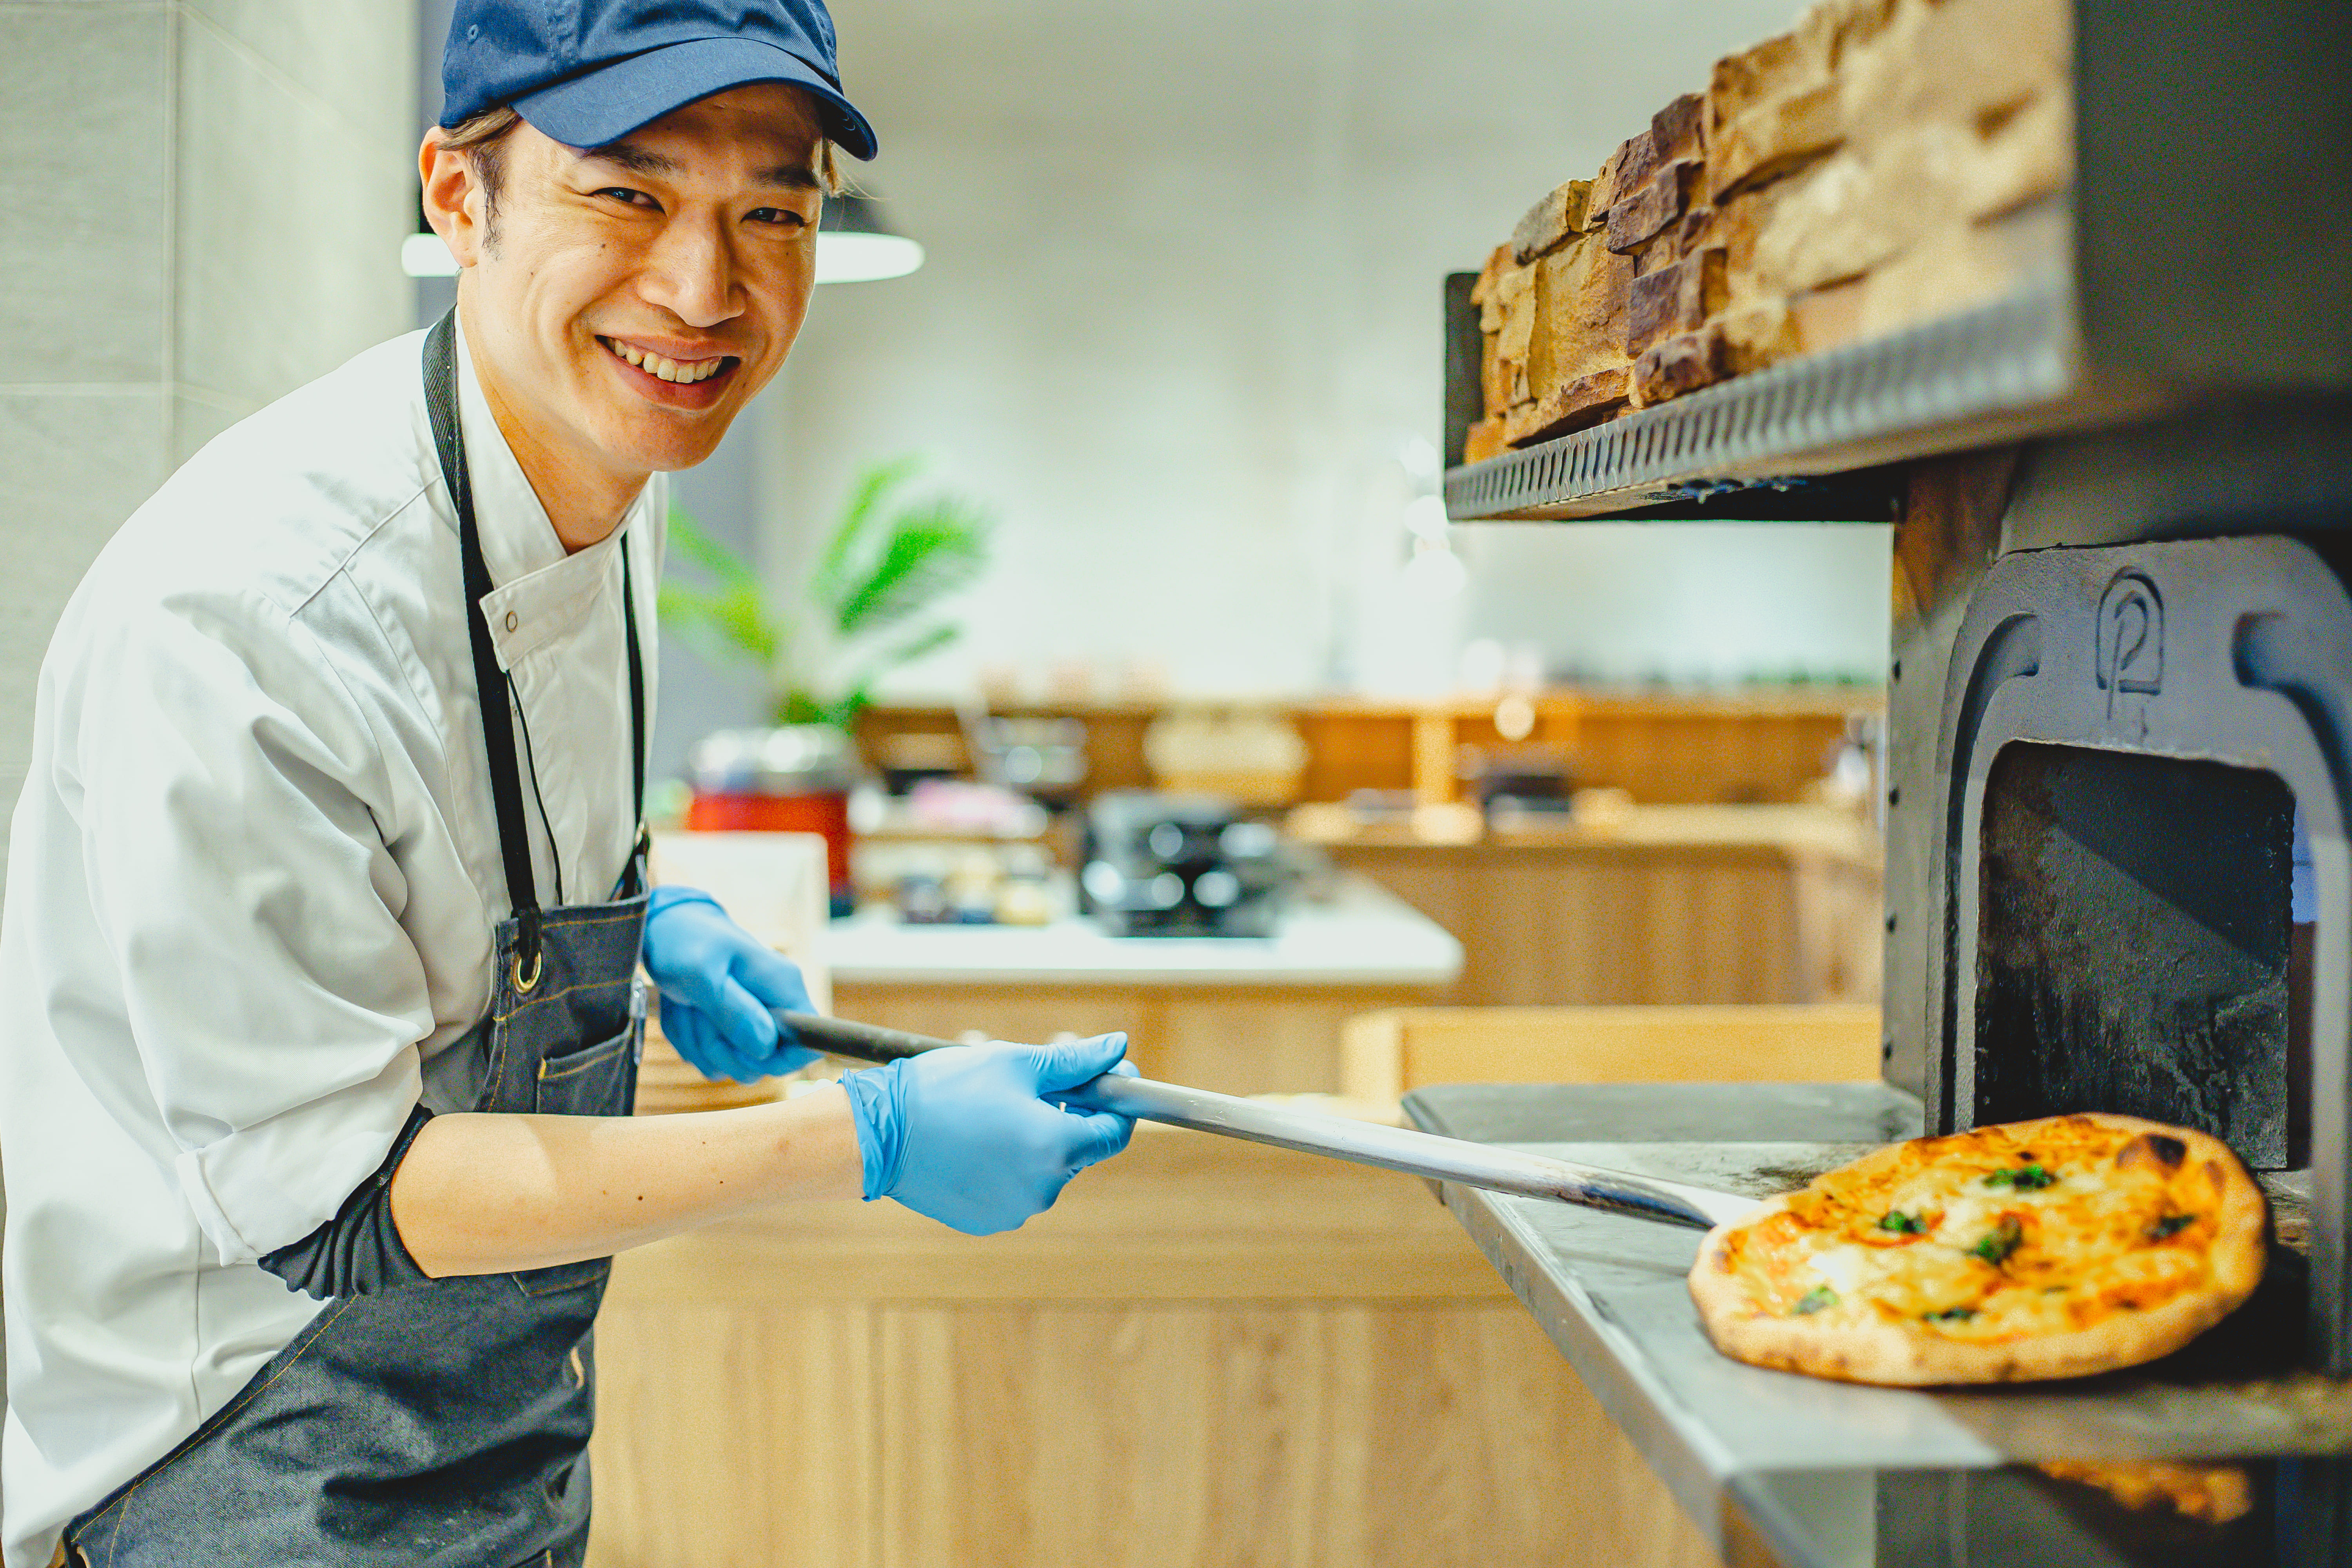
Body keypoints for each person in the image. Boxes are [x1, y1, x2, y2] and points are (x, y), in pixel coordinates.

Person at [0, 4, 1136, 1563]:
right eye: (627, 194)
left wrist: (650, 926)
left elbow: (468, 831)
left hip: (503, 1430)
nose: (703, 290)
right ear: (457, 198)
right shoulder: (251, 620)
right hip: (230, 1454)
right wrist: (862, 1138)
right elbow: (343, 1200)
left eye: (774, 214)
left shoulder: (610, 472)